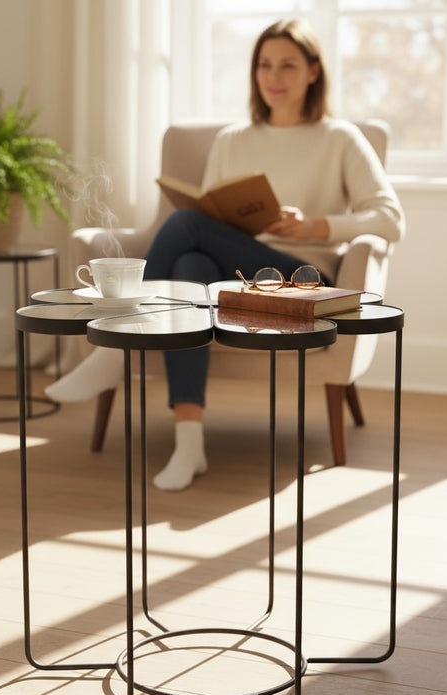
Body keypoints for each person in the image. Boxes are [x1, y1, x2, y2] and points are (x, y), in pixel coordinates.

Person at [46, 18, 405, 491]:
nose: (274, 77)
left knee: (185, 225)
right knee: (190, 265)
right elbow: (213, 215)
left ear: (314, 72)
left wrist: (315, 225)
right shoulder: (233, 139)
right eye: (264, 65)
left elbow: (390, 220)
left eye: (288, 65)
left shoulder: (339, 138)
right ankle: (189, 441)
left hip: (303, 277)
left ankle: (119, 338)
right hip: (236, 272)